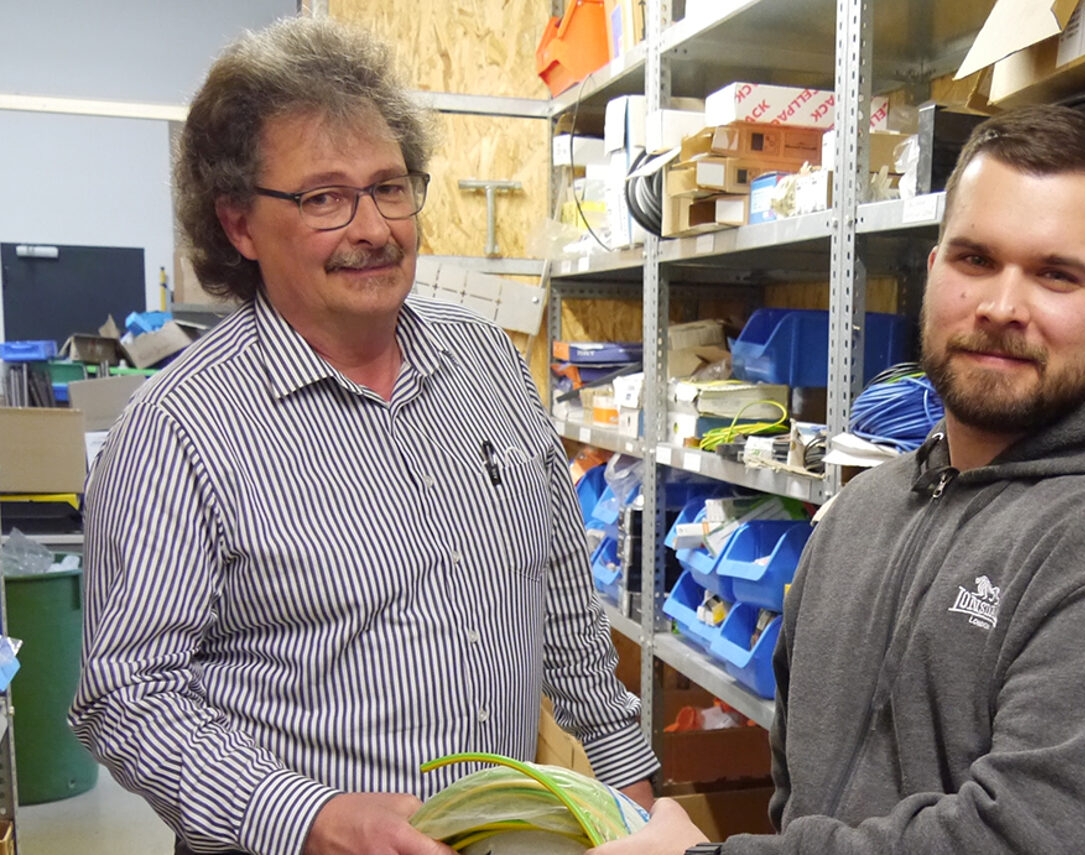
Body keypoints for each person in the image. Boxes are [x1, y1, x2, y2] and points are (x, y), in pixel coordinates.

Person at [71, 17, 656, 855]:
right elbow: (127, 693)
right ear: (239, 224)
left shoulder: (483, 360)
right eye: (324, 198)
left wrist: (621, 771)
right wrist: (306, 816)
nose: (374, 228)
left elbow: (557, 578)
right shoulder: (177, 433)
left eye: (389, 186)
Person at [593, 105, 1085, 855]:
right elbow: (797, 788)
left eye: (1055, 275)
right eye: (975, 260)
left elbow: (1017, 840)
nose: (1002, 306)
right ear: (934, 273)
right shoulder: (863, 508)